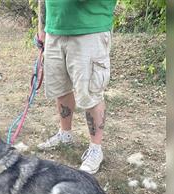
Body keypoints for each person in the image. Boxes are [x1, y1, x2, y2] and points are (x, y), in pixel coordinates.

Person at [37, 0, 117, 174]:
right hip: (54, 29)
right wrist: (42, 27)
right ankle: (65, 134)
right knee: (61, 88)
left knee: (90, 93)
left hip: (90, 30)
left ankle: (96, 149)